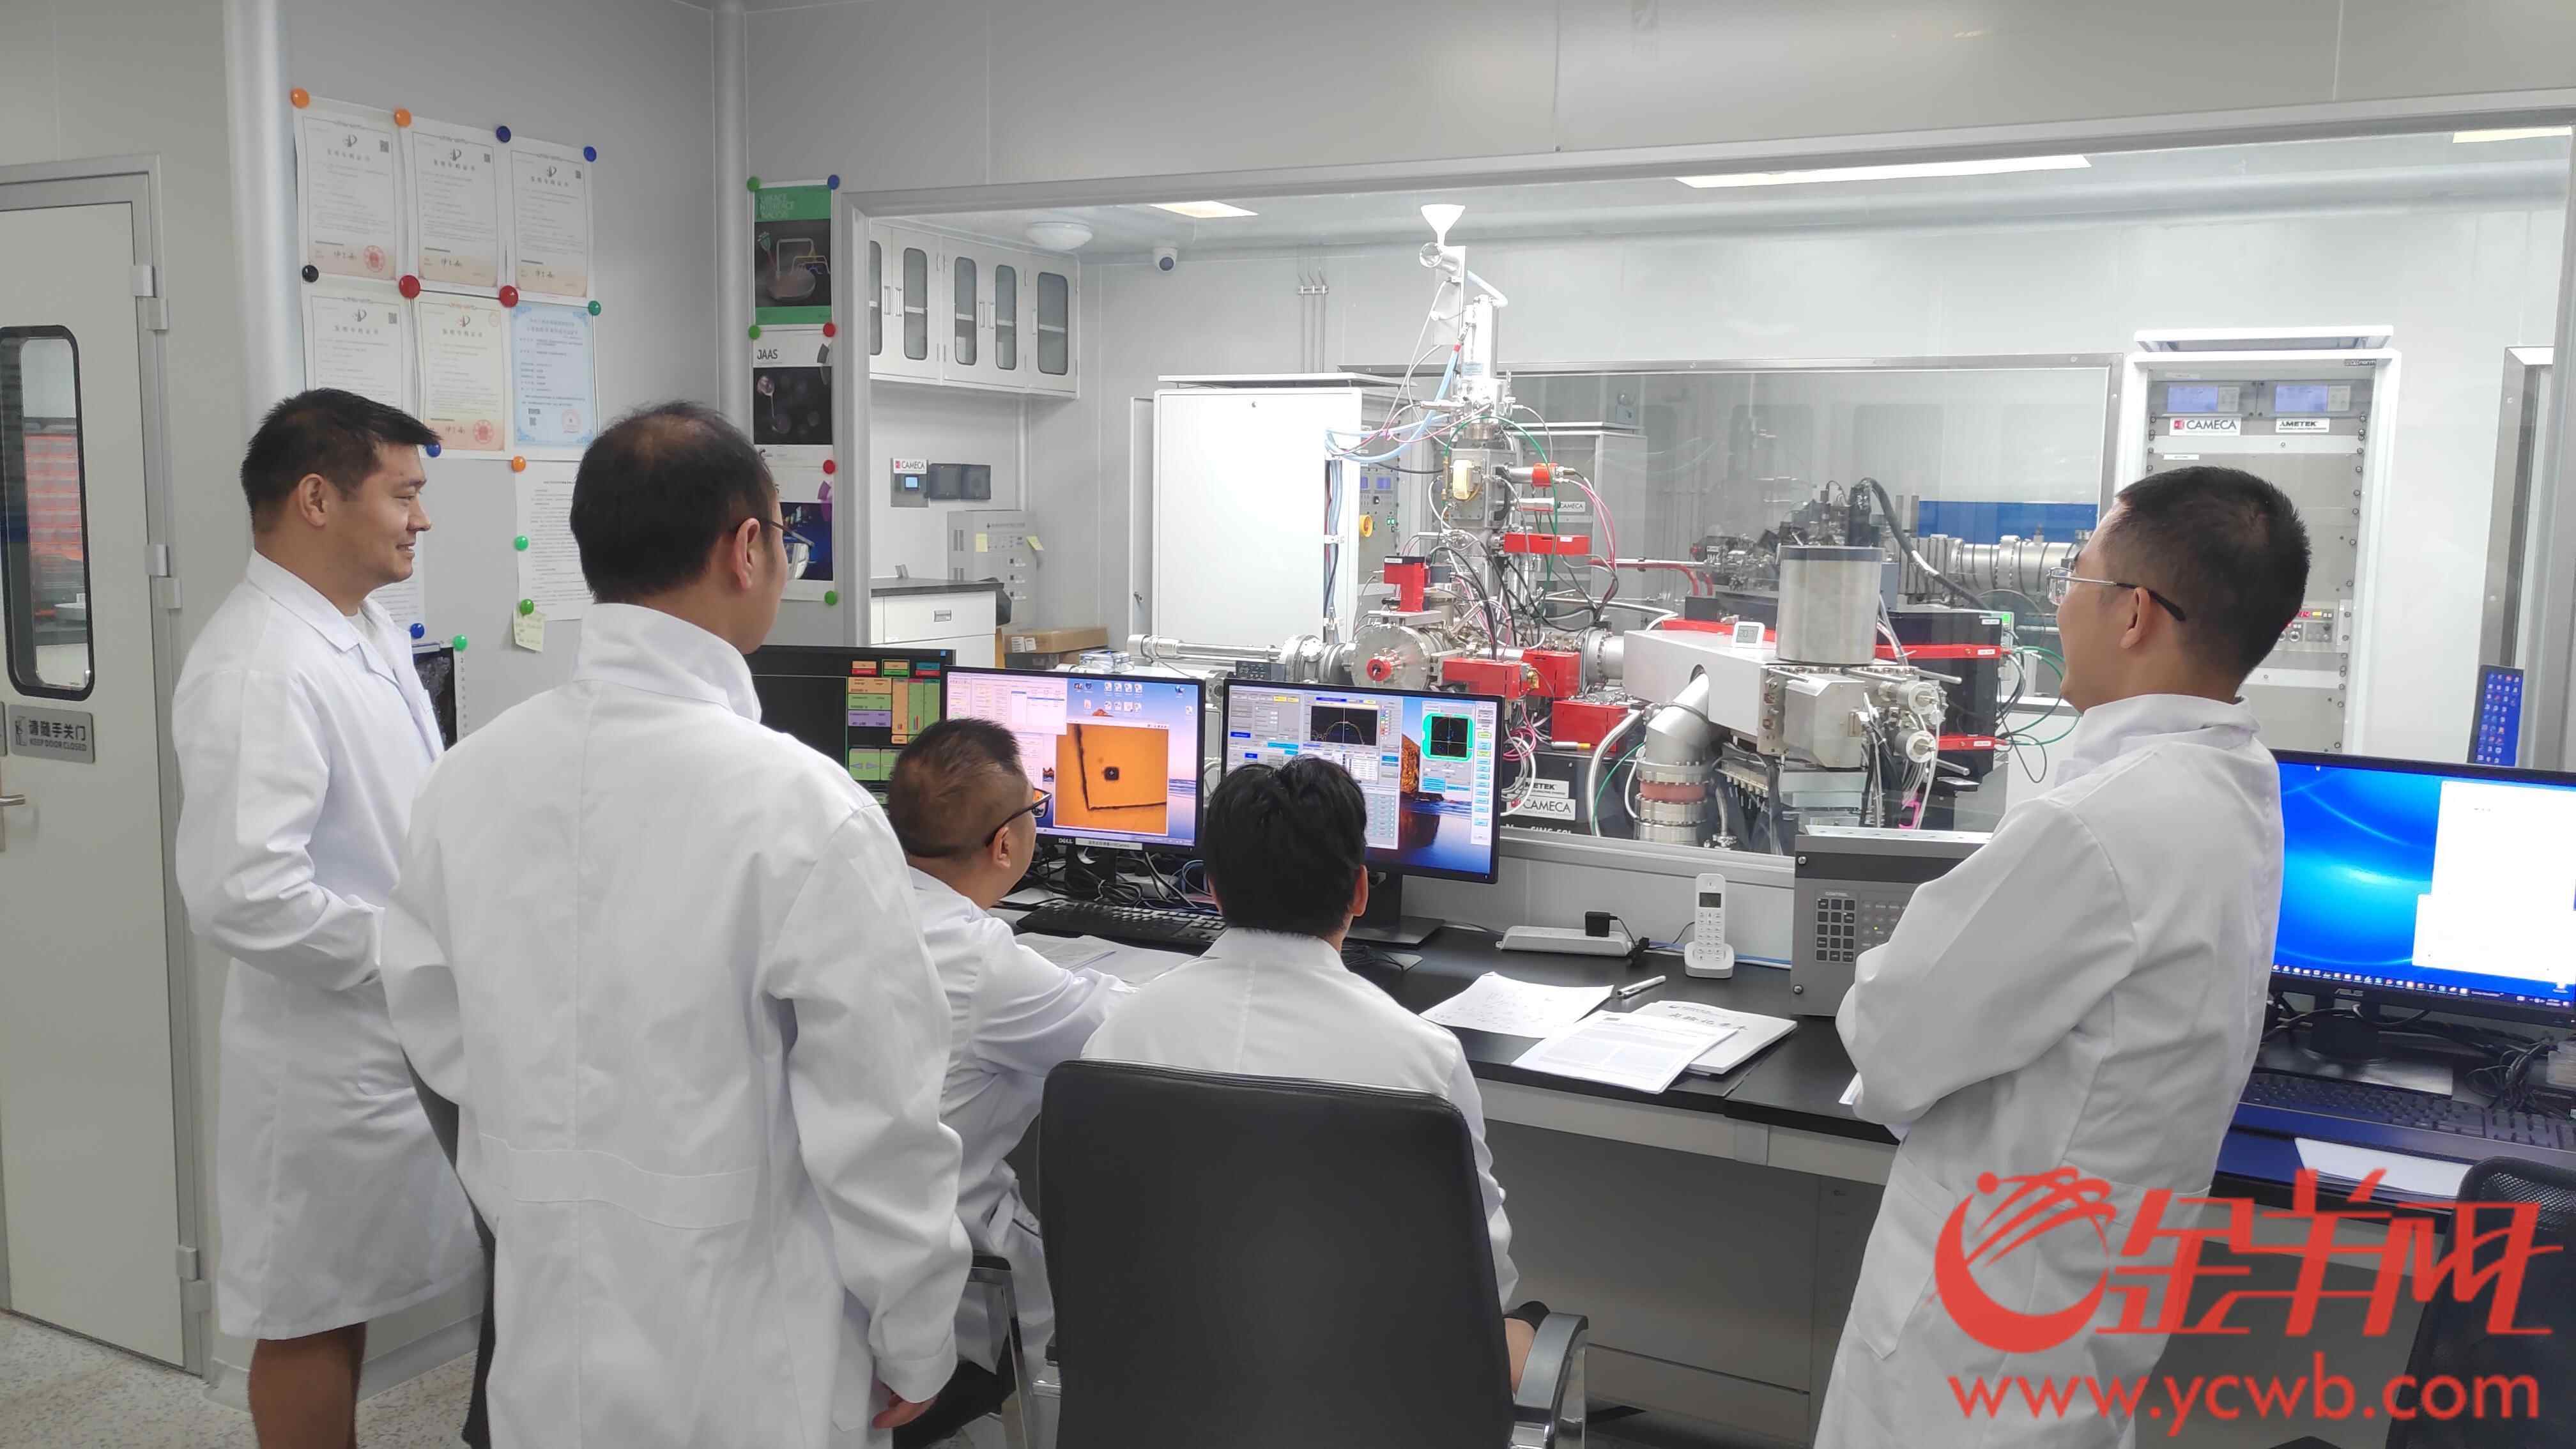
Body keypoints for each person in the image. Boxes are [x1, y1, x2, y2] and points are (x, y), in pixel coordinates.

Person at [379, 402, 970, 1446]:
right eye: (783, 537)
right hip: (749, 1360)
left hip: (546, 1334)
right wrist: (917, 1330)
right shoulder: (805, 808)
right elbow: (879, 1117)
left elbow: (439, 1037)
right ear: (745, 549)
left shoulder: (465, 782)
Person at [1816, 465, 2312, 1448]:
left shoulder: (2096, 826)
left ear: (2134, 614)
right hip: (2075, 1331)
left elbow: (1890, 1036)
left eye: (2072, 580)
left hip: (1970, 1353)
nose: (2058, 607)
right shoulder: (2235, 786)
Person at [174, 388, 481, 1449]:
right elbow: (241, 890)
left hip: (385, 1036)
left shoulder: (362, 626)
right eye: (403, 494)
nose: (421, 519)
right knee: (306, 1310)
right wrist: (414, 951)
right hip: (321, 1056)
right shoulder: (259, 661)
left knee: (343, 1293)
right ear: (316, 498)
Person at [1081, 755, 1543, 1388]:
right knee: (1520, 1331)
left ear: (1212, 888)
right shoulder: (1423, 1061)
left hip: (1167, 1386)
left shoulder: (1118, 1038)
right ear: (1360, 891)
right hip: (1365, 1395)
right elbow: (1482, 1280)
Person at [883, 719, 1130, 1446]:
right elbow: (1118, 1032)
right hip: (951, 1274)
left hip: (842, 1261)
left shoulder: (854, 910)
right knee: (1098, 1302)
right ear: (1004, 845)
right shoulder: (982, 965)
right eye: (1035, 809)